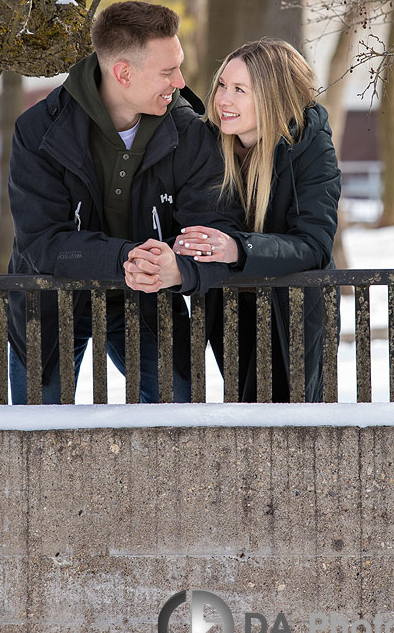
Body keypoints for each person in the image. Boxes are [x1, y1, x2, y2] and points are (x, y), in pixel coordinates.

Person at [6, 0, 240, 404]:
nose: (181, 82)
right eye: (168, 72)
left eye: (179, 66)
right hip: (51, 300)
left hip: (151, 300)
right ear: (123, 73)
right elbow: (42, 242)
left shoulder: (192, 132)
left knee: (177, 423)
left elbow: (211, 225)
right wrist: (126, 257)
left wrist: (176, 266)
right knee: (37, 438)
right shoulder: (39, 131)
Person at [128, 38, 340, 401]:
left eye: (240, 89)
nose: (223, 99)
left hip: (289, 309)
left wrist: (237, 248)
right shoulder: (205, 141)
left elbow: (313, 245)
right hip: (228, 306)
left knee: (295, 420)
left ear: (273, 95)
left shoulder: (309, 146)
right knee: (245, 415)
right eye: (222, 85)